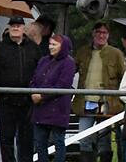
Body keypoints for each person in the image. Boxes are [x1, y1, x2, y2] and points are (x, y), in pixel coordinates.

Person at [0, 16, 43, 162]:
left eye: (18, 25)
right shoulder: (0, 47)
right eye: (12, 25)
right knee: (6, 138)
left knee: (26, 139)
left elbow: (40, 70)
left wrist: (38, 88)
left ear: (24, 28)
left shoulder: (33, 48)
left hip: (27, 101)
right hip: (7, 100)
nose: (15, 28)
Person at [72, 22, 126, 162]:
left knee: (104, 141)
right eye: (98, 32)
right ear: (93, 34)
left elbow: (125, 77)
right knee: (83, 138)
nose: (101, 35)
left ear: (108, 35)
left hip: (107, 104)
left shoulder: (116, 53)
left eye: (104, 33)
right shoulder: (83, 52)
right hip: (85, 103)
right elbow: (70, 70)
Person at [30, 34, 76, 162]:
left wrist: (42, 96)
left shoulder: (69, 63)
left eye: (54, 44)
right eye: (50, 44)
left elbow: (63, 84)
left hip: (58, 109)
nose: (51, 47)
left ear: (63, 46)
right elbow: (34, 78)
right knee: (40, 144)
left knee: (58, 142)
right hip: (40, 109)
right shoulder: (44, 60)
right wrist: (33, 92)